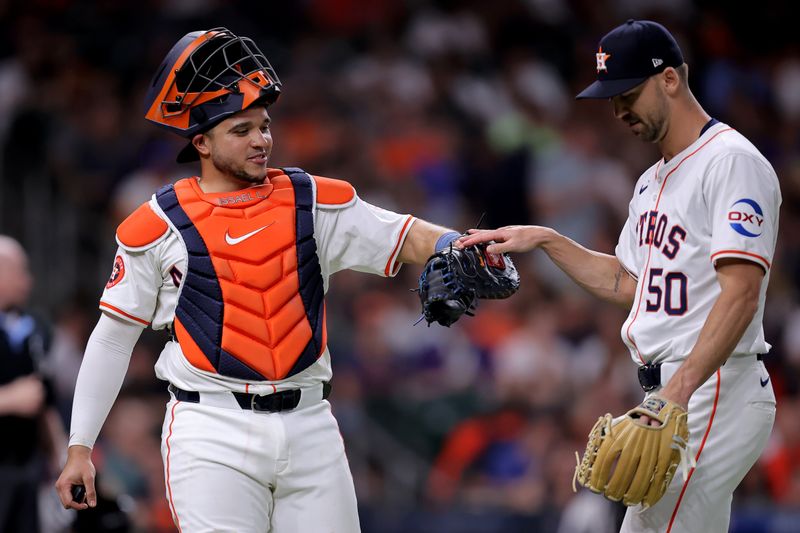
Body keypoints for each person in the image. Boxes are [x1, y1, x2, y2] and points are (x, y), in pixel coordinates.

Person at [54, 28, 463, 532]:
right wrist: (80, 447)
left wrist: (459, 246)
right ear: (201, 142)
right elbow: (113, 340)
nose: (261, 140)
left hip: (311, 422)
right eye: (242, 130)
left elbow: (412, 236)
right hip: (210, 428)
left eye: (264, 126)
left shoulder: (311, 200)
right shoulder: (156, 224)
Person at [460, 19, 780, 533]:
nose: (618, 110)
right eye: (611, 98)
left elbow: (741, 295)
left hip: (713, 387)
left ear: (671, 79)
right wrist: (547, 239)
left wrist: (676, 393)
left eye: (627, 93)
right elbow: (629, 284)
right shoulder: (651, 181)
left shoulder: (731, 162)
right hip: (677, 390)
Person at [0, 235, 66, 533]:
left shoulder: (34, 327)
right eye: (19, 271)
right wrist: (9, 399)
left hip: (26, 463)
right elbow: (21, 397)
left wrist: (63, 456)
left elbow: (45, 401)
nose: (27, 281)